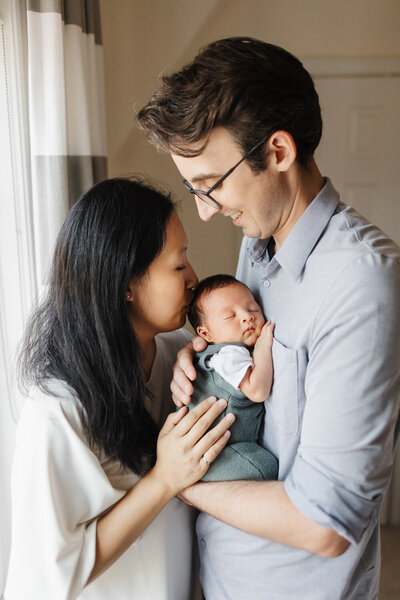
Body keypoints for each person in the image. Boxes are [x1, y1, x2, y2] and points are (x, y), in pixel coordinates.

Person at [137, 37, 400, 599]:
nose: (206, 210)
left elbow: (325, 522)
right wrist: (202, 355)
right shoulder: (258, 245)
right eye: (194, 189)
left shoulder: (361, 280)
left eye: (212, 185)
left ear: (278, 151)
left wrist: (180, 483)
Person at [4, 177, 235, 600]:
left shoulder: (180, 354)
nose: (194, 279)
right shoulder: (56, 412)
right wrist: (164, 478)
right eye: (179, 265)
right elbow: (52, 575)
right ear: (126, 284)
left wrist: (206, 358)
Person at [186, 273, 278, 481]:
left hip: (214, 448)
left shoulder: (223, 352)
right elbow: (257, 390)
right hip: (216, 454)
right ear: (206, 334)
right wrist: (264, 346)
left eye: (253, 308)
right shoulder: (228, 354)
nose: (247, 316)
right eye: (230, 316)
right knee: (266, 468)